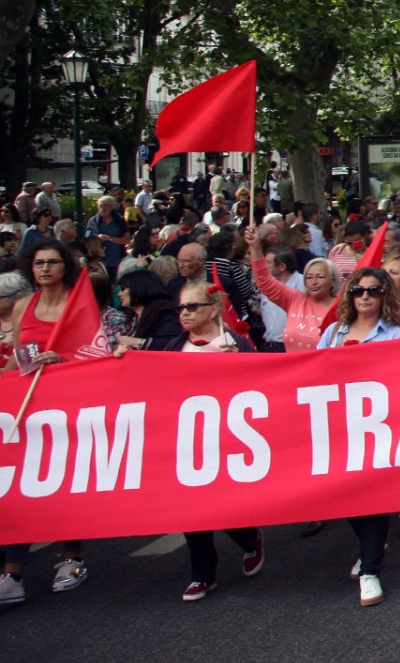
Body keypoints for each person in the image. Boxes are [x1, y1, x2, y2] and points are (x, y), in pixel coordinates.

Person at [137, 279, 264, 602]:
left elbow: (261, 385)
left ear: (213, 309)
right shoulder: (172, 347)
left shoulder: (232, 343)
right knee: (191, 508)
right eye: (181, 307)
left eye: (193, 307)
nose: (185, 314)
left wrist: (242, 364)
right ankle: (202, 575)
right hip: (186, 441)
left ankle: (249, 539)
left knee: (224, 507)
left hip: (228, 439)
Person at [0, 241, 89, 602]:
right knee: (24, 485)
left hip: (69, 408)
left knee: (65, 486)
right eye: (39, 263)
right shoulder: (25, 306)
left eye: (53, 262)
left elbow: (92, 354)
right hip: (29, 407)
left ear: (64, 266)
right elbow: (16, 359)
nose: (46, 269)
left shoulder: (78, 304)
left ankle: (73, 558)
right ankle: (13, 574)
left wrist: (63, 361)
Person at [322, 266, 400, 606]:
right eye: (358, 291)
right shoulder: (332, 333)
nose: (365, 297)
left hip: (376, 427)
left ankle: (371, 569)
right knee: (346, 496)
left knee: (371, 496)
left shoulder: (396, 336)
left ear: (384, 295)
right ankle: (369, 546)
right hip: (338, 427)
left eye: (373, 291)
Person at [248, 226, 338, 352]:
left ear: (333, 281)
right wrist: (255, 247)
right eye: (309, 277)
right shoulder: (295, 300)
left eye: (320, 277)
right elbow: (265, 282)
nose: (314, 282)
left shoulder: (342, 307)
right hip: (291, 367)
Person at [84, 195, 129, 274]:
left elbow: (127, 240)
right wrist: (97, 237)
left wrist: (110, 239)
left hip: (117, 261)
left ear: (111, 206)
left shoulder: (119, 221)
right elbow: (87, 239)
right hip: (99, 263)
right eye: (100, 205)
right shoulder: (93, 221)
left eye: (105, 205)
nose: (103, 208)